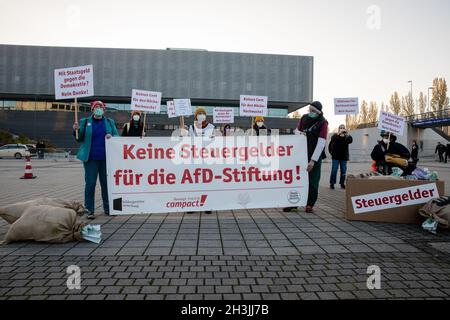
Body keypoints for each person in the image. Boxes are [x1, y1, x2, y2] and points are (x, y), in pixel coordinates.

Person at [72, 101, 119, 219]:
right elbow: (79, 138)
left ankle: (108, 208)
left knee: (106, 184)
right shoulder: (85, 121)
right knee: (90, 184)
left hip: (106, 159)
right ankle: (89, 210)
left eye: (100, 107)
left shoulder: (109, 122)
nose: (98, 109)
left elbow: (117, 136)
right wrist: (75, 130)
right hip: (91, 158)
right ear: (92, 109)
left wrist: (111, 137)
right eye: (96, 107)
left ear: (104, 109)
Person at [284, 101, 328, 213]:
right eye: (309, 110)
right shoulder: (303, 118)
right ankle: (294, 203)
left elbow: (321, 142)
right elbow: (296, 131)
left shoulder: (323, 123)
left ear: (318, 112)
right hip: (301, 154)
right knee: (297, 179)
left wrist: (313, 160)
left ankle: (309, 204)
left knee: (313, 182)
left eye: (313, 111)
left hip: (314, 156)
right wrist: (300, 134)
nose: (310, 113)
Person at [188, 107, 214, 214]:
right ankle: (193, 205)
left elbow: (214, 140)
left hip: (207, 158)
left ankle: (207, 205)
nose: (201, 115)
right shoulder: (192, 127)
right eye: (199, 113)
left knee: (207, 183)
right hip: (195, 158)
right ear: (196, 116)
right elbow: (189, 141)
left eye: (203, 113)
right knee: (194, 182)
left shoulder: (211, 127)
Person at [328, 124, 353, 189]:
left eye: (343, 128)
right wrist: (338, 134)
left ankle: (342, 183)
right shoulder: (335, 135)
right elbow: (332, 140)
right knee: (334, 170)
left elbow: (350, 140)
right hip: (335, 157)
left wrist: (347, 134)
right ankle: (332, 183)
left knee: (343, 170)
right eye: (341, 128)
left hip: (344, 157)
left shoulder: (346, 136)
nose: (342, 129)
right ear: (339, 129)